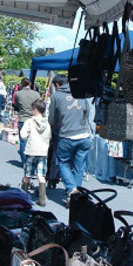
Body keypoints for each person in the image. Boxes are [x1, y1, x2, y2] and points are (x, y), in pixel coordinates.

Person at [48, 74, 92, 203]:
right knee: (79, 166)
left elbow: (52, 118)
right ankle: (76, 195)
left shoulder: (56, 96)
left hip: (67, 135)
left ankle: (72, 190)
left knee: (63, 162)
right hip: (84, 135)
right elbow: (87, 112)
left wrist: (52, 131)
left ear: (57, 85)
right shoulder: (81, 92)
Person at [19, 100, 51, 207]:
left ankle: (23, 196)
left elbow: (23, 135)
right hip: (43, 151)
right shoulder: (47, 123)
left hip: (32, 150)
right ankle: (42, 199)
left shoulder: (30, 122)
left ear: (35, 110)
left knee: (28, 174)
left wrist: (29, 136)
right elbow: (49, 137)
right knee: (41, 175)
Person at [13, 77, 40, 166]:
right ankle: (33, 161)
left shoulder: (18, 94)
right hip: (33, 119)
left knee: (23, 142)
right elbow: (40, 106)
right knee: (34, 141)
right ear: (30, 84)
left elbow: (16, 105)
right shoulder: (36, 94)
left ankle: (25, 162)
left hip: (23, 119)